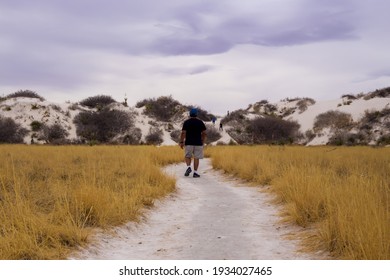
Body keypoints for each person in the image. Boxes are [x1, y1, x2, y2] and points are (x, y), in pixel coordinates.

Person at [179, 108, 207, 178]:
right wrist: (202, 141)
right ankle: (195, 173)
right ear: (196, 114)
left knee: (187, 156)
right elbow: (204, 133)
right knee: (196, 158)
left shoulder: (186, 122)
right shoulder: (200, 122)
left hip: (189, 142)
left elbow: (183, 133)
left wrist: (181, 142)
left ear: (190, 114)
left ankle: (188, 167)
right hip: (198, 143)